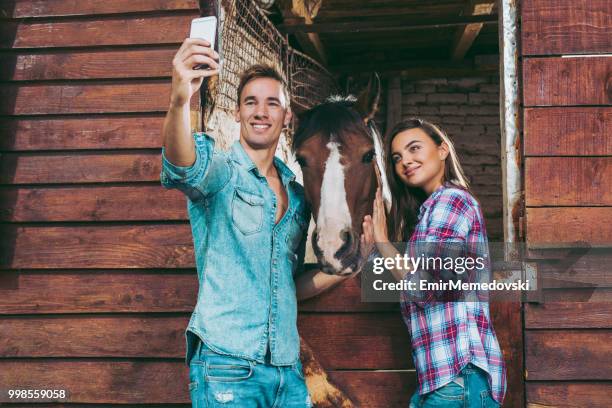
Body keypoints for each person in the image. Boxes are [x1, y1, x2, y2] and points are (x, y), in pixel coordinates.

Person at [161, 38, 346, 407]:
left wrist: (343, 268)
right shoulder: (220, 172)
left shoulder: (297, 195)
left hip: (287, 372)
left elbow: (284, 283)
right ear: (237, 113)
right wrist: (180, 98)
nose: (261, 111)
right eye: (251, 102)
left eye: (272, 102)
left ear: (286, 116)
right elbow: (183, 165)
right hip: (227, 366)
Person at [362, 118, 507, 407]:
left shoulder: (452, 202)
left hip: (458, 377)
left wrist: (382, 240)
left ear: (442, 150)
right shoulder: (428, 215)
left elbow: (425, 288)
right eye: (397, 157)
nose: (406, 161)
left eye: (414, 148)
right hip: (445, 379)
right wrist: (374, 255)